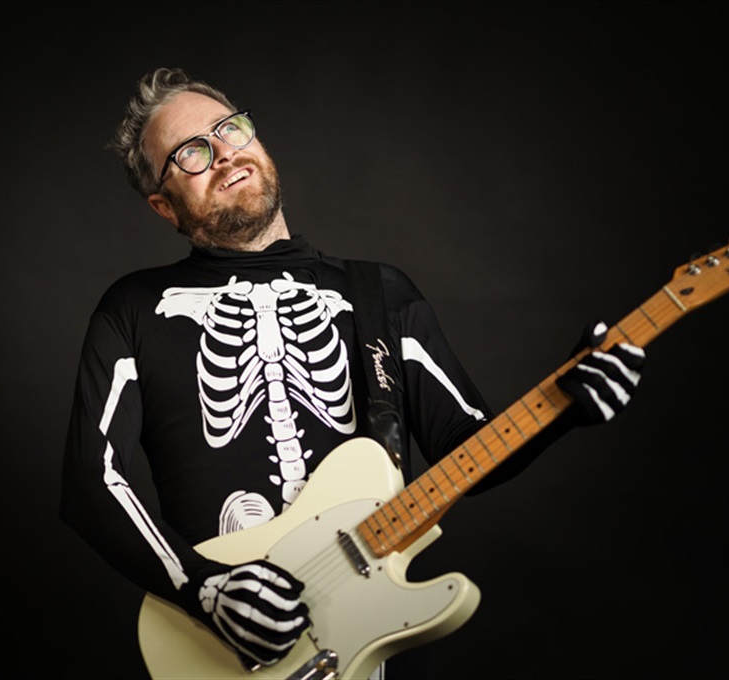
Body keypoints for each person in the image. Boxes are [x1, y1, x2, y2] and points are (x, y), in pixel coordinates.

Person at [59, 67, 646, 677]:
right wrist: (205, 591)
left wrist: (562, 404)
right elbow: (90, 481)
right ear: (163, 205)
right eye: (192, 153)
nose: (225, 154)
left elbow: (466, 447)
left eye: (231, 129)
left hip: (358, 623)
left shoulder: (379, 293)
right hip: (224, 650)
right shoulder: (135, 308)